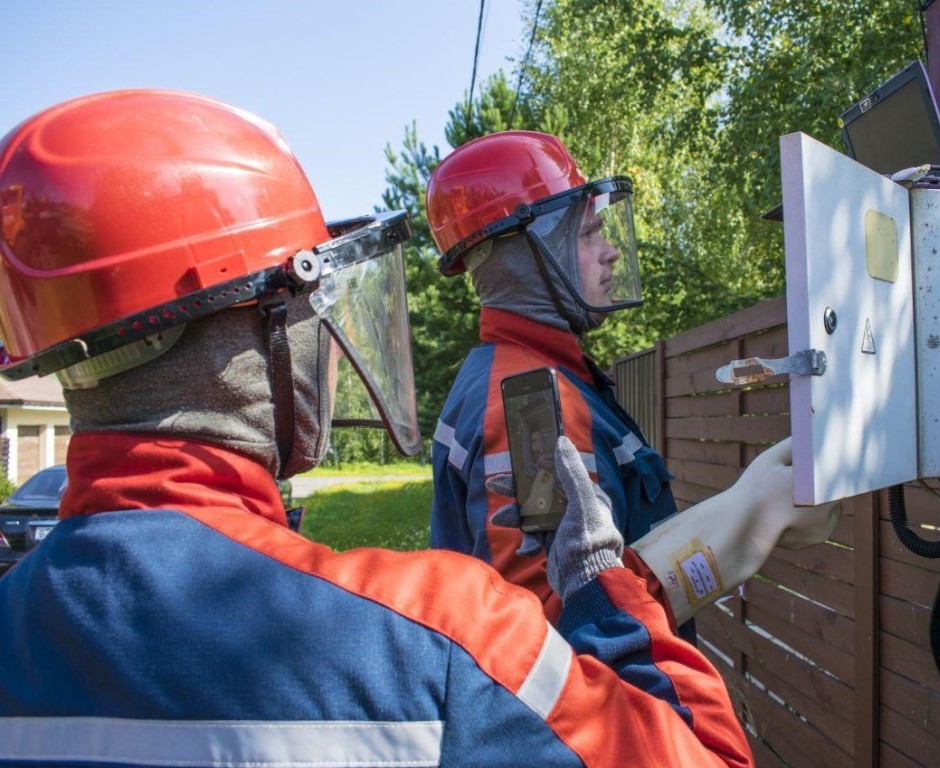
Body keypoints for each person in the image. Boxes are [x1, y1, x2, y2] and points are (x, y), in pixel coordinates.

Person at [0, 90, 757, 767]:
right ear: (265, 326)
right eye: (313, 304)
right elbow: (599, 680)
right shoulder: (448, 630)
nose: (328, 346)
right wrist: (608, 588)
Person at [425, 130, 841, 630]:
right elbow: (562, 634)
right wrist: (746, 521)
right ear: (524, 258)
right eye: (586, 234)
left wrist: (736, 509)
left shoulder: (520, 373)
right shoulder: (532, 402)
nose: (610, 252)